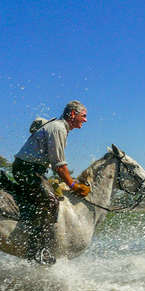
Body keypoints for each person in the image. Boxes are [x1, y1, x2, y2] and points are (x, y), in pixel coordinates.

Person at [13, 100, 91, 264]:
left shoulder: (60, 127)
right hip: (26, 170)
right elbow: (59, 166)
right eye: (83, 116)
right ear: (72, 115)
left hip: (34, 171)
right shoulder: (58, 128)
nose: (85, 120)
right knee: (50, 202)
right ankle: (38, 249)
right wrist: (74, 186)